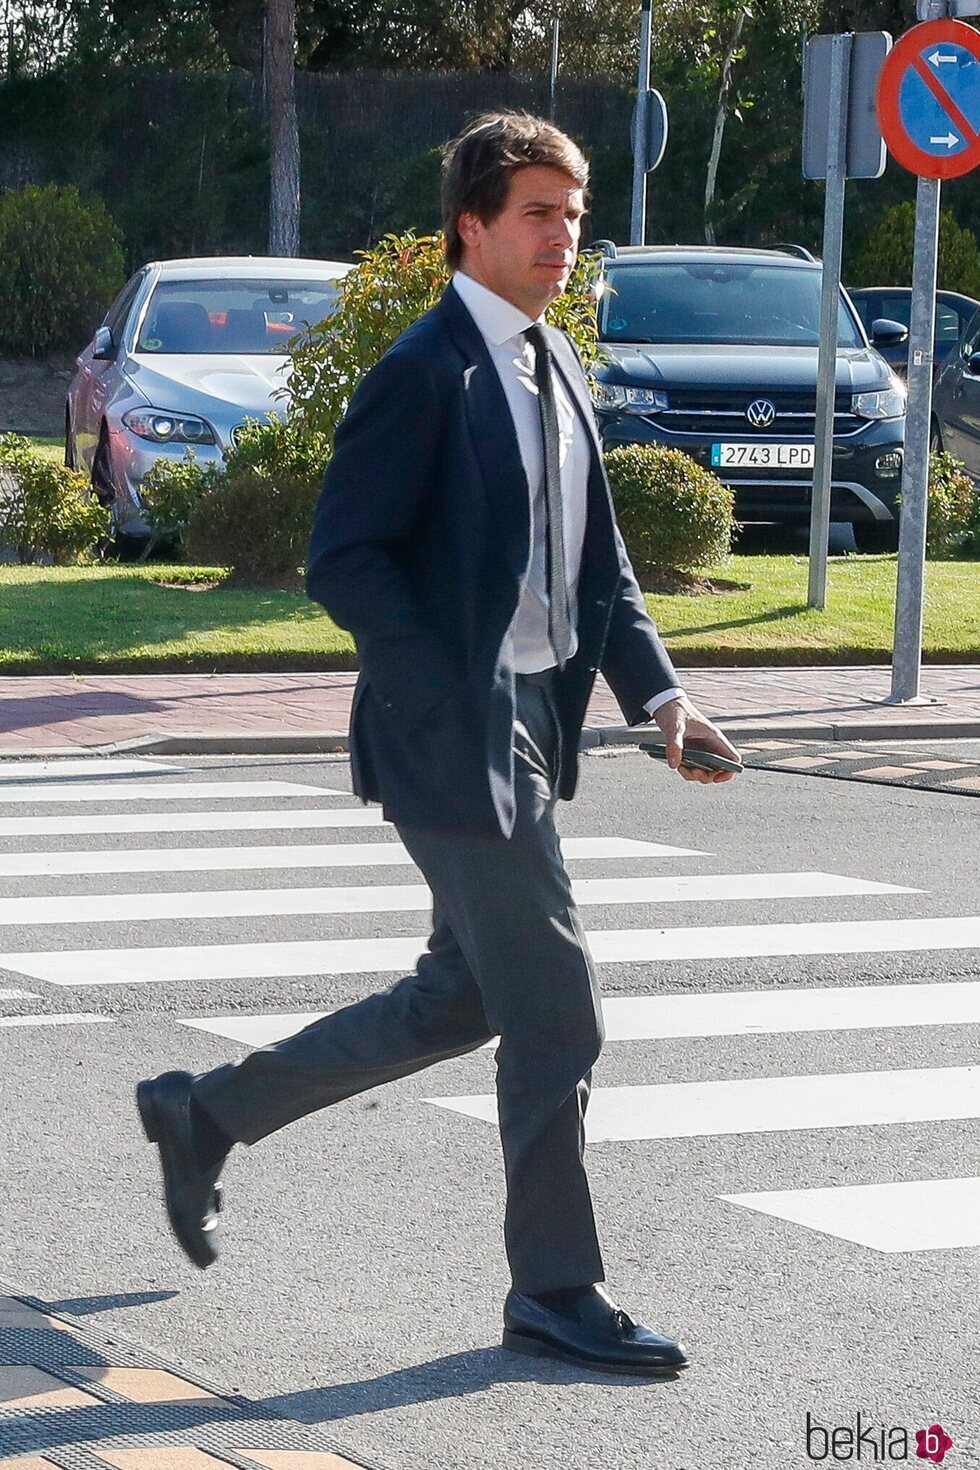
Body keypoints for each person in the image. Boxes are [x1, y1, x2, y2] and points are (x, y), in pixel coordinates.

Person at [136, 109, 742, 1379]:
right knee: (558, 1012)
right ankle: (554, 1290)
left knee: (460, 997)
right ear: (469, 226)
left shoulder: (551, 364)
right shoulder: (422, 371)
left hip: (531, 721)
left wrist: (661, 700)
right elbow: (343, 559)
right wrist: (446, 688)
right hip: (453, 735)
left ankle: (207, 1114)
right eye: (535, 212)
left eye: (572, 215)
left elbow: (601, 572)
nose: (560, 237)